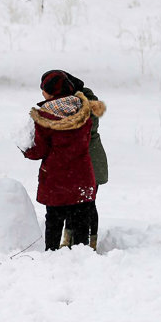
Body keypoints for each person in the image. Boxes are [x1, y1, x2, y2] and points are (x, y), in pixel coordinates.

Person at [22, 70, 103, 251]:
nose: (42, 93)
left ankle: (52, 257)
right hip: (82, 176)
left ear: (52, 92)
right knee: (81, 223)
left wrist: (25, 150)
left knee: (54, 222)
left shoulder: (45, 117)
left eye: (44, 90)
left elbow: (39, 150)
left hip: (56, 179)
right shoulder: (83, 111)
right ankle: (81, 258)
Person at [51, 70, 108, 250]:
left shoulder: (84, 103)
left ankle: (90, 243)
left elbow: (80, 130)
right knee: (73, 203)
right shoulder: (73, 101)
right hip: (81, 162)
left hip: (90, 162)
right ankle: (68, 240)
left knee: (88, 204)